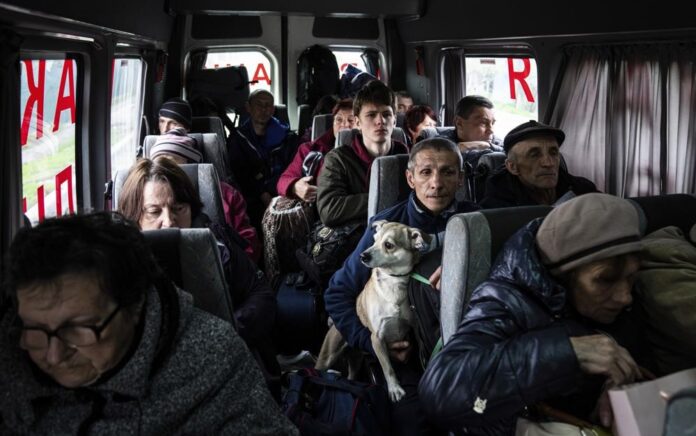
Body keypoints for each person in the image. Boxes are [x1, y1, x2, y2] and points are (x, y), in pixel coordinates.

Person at [0, 212, 298, 435]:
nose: (53, 356)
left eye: (78, 330)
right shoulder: (9, 354)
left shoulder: (212, 357)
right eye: (35, 331)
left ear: (134, 306)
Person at [419, 193, 654, 435]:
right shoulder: (505, 299)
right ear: (563, 276)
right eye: (605, 280)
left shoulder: (622, 298)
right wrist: (567, 353)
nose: (625, 297)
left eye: (630, 278)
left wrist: (619, 386)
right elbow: (440, 390)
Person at [325, 137, 480, 436]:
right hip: (408, 360)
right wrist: (370, 340)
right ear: (410, 178)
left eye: (448, 172)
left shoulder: (478, 223)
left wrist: (465, 263)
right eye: (426, 172)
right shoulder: (386, 228)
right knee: (413, 425)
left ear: (460, 179)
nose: (436, 183)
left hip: (467, 352)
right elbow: (337, 294)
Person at [117, 157, 279, 389]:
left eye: (178, 208)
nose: (169, 221)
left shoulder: (217, 242)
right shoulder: (121, 263)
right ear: (135, 216)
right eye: (154, 211)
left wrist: (227, 334)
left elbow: (261, 294)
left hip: (227, 356)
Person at [152, 127, 261, 263]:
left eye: (172, 164)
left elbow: (248, 244)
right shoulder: (147, 201)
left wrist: (231, 267)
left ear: (191, 164)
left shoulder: (226, 195)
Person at [316, 80, 409, 227]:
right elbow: (329, 210)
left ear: (395, 121)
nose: (380, 121)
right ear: (357, 123)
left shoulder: (408, 157)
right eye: (371, 115)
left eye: (386, 114)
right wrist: (383, 199)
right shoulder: (338, 159)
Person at [479, 120, 598, 208]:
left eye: (553, 153)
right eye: (534, 155)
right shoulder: (496, 209)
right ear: (512, 167)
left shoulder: (583, 190)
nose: (548, 163)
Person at [232, 89, 299, 229]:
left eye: (268, 105)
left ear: (273, 109)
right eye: (259, 104)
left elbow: (293, 167)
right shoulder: (238, 139)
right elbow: (240, 173)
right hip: (252, 196)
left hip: (284, 191)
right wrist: (263, 194)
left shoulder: (288, 138)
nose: (264, 109)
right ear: (248, 108)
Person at [277, 99, 355, 202]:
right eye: (339, 120)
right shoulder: (310, 149)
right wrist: (295, 187)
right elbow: (282, 182)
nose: (344, 125)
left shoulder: (369, 151)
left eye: (351, 120)